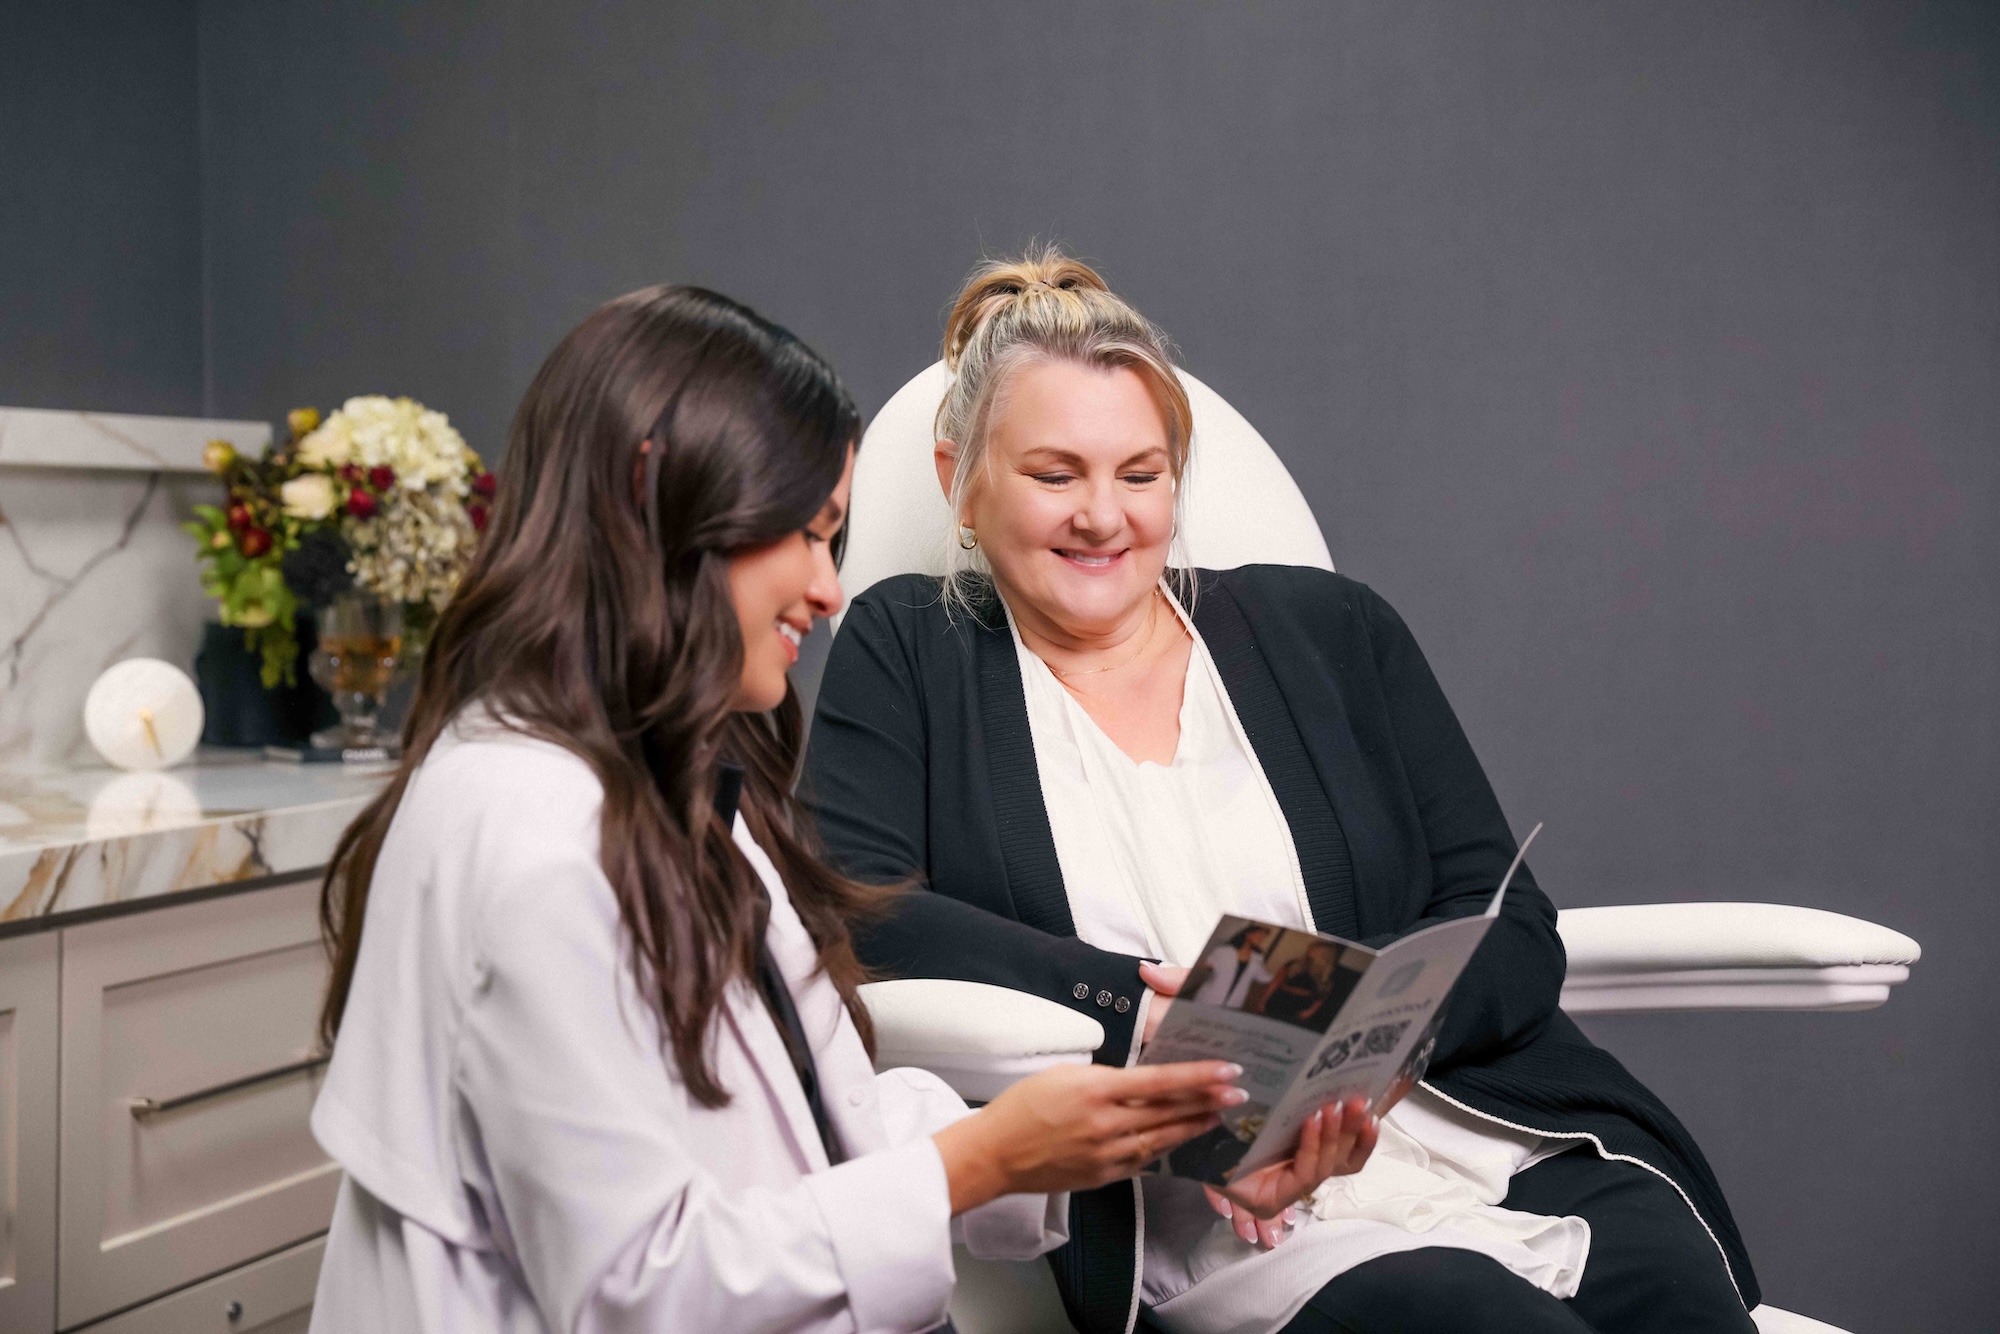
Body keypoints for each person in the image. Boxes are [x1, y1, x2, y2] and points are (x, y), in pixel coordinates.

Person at [304, 284, 1330, 1333]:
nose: (828, 589)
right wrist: (981, 1158)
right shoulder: (537, 840)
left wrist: (1110, 1136)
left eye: (831, 537)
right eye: (801, 534)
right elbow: (640, 1289)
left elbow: (818, 1111)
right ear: (662, 511)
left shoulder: (671, 789)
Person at [803, 249, 1762, 1334]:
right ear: (958, 479)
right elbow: (855, 905)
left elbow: (1509, 924)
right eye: (1054, 475)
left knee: (1675, 1293)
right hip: (1196, 1206)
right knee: (1469, 1317)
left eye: (1139, 474)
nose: (1103, 516)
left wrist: (1350, 1049)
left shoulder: (1333, 629)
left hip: (1455, 1132)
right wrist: (1139, 1010)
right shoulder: (908, 647)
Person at [1186, 924, 1275, 1008]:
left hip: (1234, 1002)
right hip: (1210, 997)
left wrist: (1277, 977)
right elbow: (1208, 965)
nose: (1261, 939)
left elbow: (1262, 977)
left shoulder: (1257, 958)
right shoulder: (1223, 951)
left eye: (1263, 937)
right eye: (1259, 935)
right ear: (1248, 934)